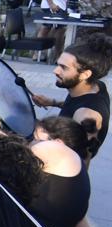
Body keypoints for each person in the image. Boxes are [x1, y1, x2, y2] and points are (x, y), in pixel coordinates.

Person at [30, 34, 110, 162]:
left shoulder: (87, 116)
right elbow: (77, 103)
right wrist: (53, 102)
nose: (55, 71)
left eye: (64, 68)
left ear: (85, 74)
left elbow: (83, 159)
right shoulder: (94, 86)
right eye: (58, 64)